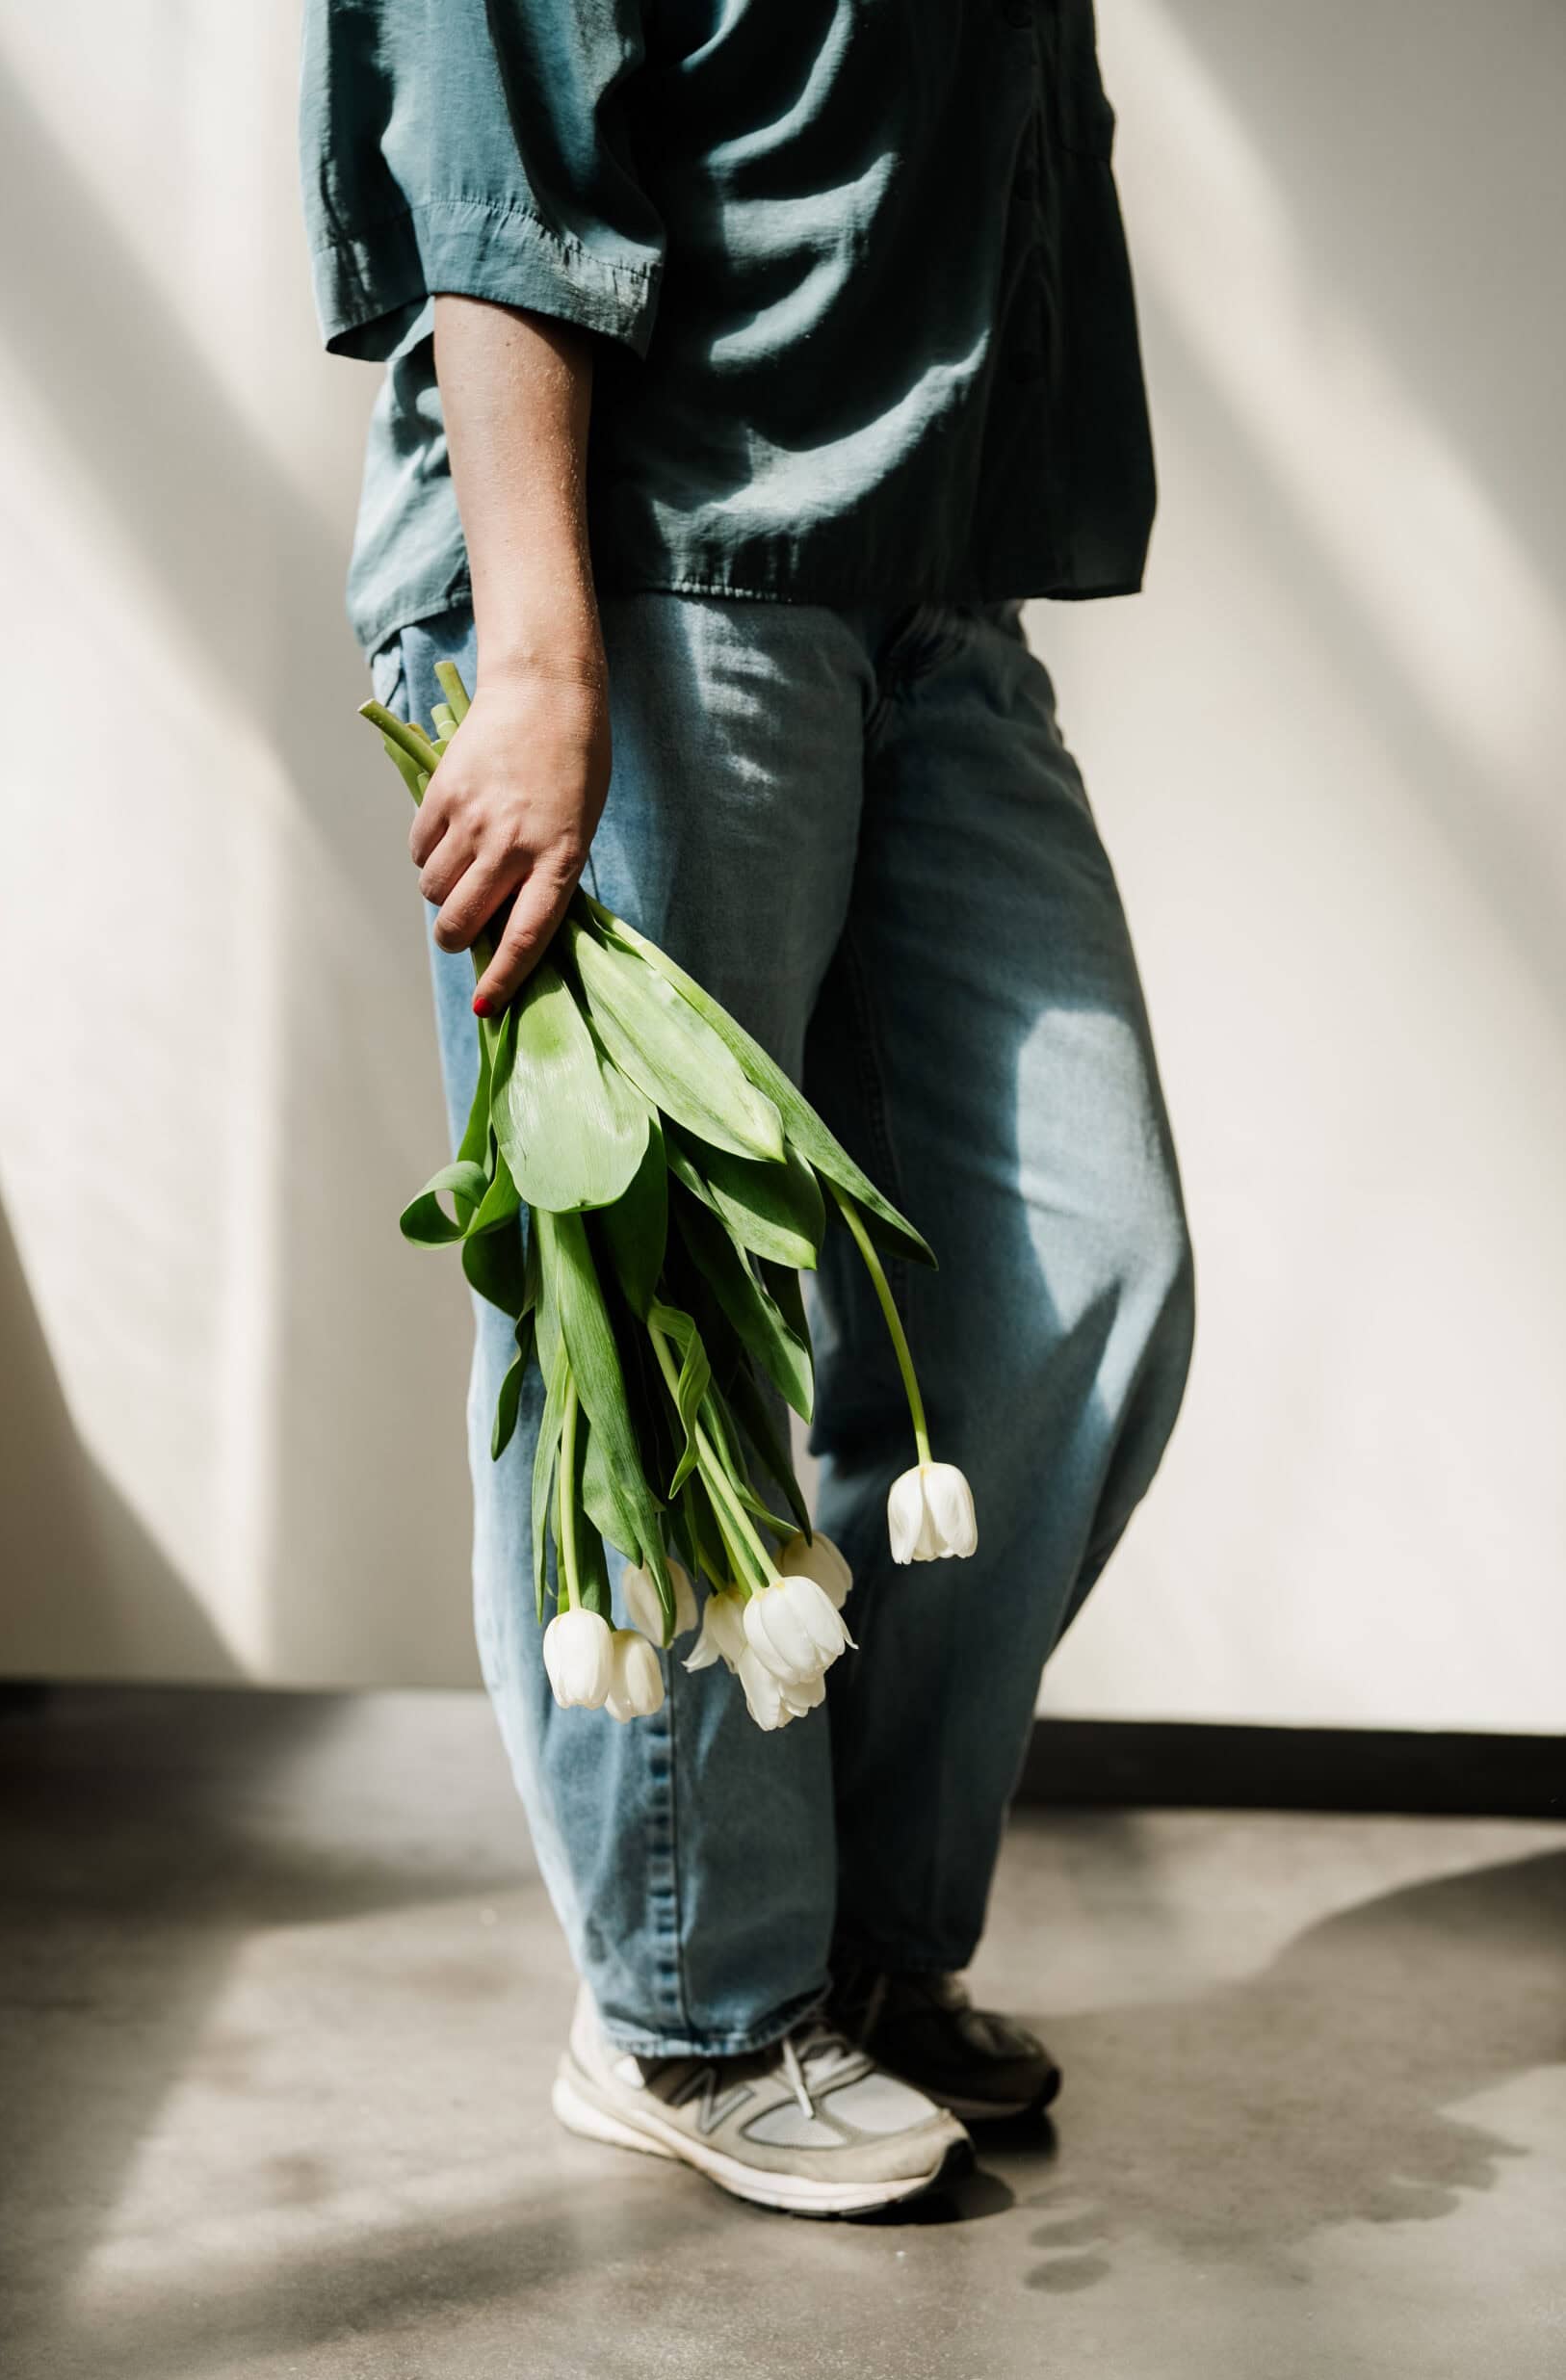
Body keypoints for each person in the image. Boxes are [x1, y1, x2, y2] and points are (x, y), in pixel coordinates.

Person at [300, 0, 1193, 2218]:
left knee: (1078, 1264)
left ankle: (856, 1949)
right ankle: (696, 2000)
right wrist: (535, 652)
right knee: (655, 1325)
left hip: (920, 586)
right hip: (640, 564)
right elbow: (483, 122)